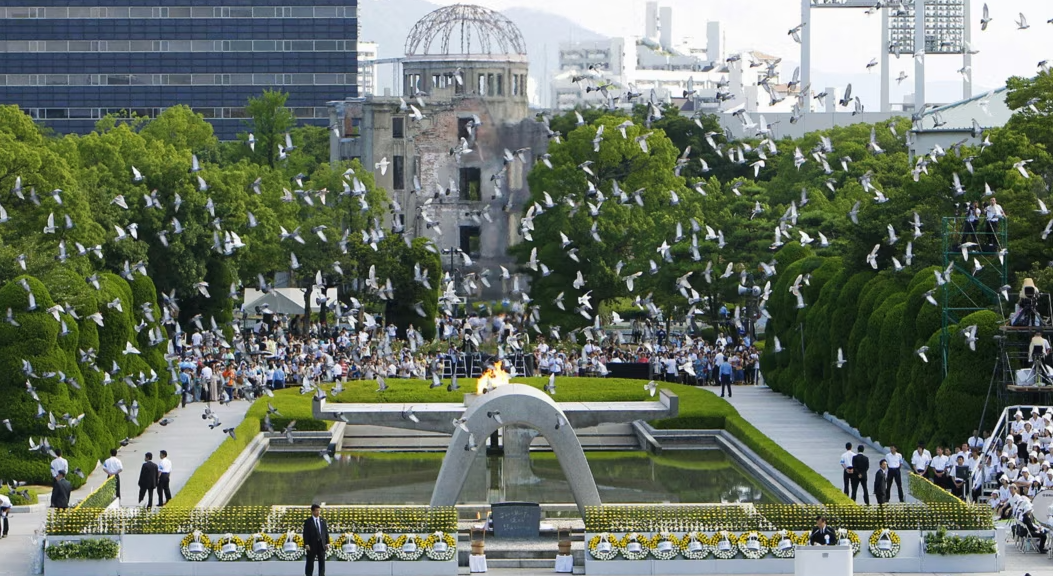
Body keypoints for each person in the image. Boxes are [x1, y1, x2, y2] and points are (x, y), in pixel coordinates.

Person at [303, 503, 329, 576]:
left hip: (321, 544)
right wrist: (306, 544)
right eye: (316, 511)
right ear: (312, 511)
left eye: (319, 511)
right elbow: (305, 534)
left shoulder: (322, 521)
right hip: (311, 545)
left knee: (322, 562)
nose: (318, 512)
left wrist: (327, 543)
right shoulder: (308, 521)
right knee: (310, 562)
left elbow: (325, 532)